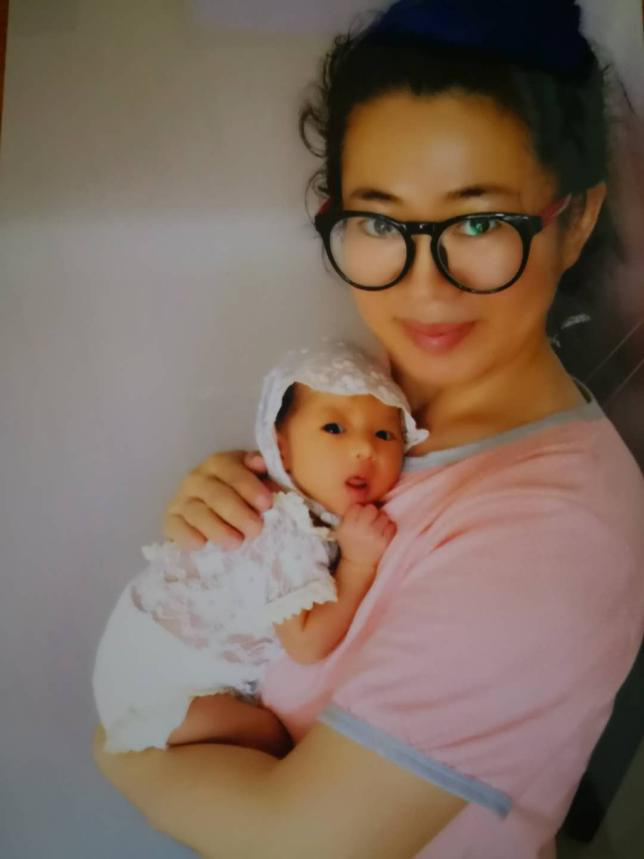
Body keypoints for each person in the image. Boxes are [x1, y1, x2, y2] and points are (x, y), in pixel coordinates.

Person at [93, 1, 644, 857]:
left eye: (480, 222)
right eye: (382, 222)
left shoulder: (555, 530)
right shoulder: (361, 401)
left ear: (574, 222)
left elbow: (302, 842)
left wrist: (120, 744)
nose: (425, 285)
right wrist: (234, 519)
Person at [92, 342, 426, 755]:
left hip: (151, 667)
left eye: (384, 434)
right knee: (272, 741)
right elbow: (306, 644)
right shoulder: (283, 527)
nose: (365, 448)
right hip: (162, 681)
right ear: (281, 447)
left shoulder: (306, 517)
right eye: (334, 428)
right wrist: (358, 565)